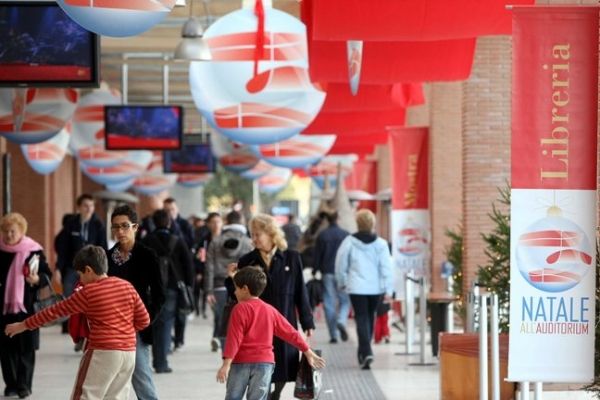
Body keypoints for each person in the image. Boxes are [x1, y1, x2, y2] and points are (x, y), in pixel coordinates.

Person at [4, 245, 150, 400]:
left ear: (88, 270)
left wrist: (22, 325)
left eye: (80, 274)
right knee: (116, 397)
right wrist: (122, 331)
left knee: (85, 395)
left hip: (102, 352)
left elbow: (54, 312)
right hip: (128, 353)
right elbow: (144, 320)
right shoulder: (127, 286)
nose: (80, 279)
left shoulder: (88, 292)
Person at [229, 214, 315, 400]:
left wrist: (307, 322)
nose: (254, 239)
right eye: (252, 234)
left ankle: (276, 393)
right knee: (261, 364)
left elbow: (301, 291)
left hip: (284, 318)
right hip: (257, 324)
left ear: (271, 233)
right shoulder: (247, 260)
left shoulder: (292, 258)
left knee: (284, 363)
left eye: (257, 234)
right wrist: (232, 279)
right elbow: (238, 293)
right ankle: (266, 394)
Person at [217, 267, 325, 400]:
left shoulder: (239, 309)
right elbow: (290, 332)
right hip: (264, 363)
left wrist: (226, 364)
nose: (234, 292)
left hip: (241, 362)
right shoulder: (270, 310)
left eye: (236, 288)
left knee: (233, 397)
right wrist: (307, 351)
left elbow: (234, 338)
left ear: (245, 289)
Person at [106, 205, 164, 400]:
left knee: (141, 377)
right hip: (110, 328)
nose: (120, 231)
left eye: (124, 226)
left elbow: (159, 294)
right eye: (115, 227)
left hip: (136, 327)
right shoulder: (106, 258)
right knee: (111, 381)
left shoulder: (147, 255)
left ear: (135, 227)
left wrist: (145, 320)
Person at [335, 209, 393, 370]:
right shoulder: (381, 244)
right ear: (372, 224)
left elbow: (340, 264)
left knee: (361, 318)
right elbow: (386, 267)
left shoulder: (349, 242)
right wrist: (388, 289)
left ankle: (365, 352)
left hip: (356, 287)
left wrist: (342, 281)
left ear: (358, 223)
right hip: (375, 288)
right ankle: (366, 351)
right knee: (370, 317)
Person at [0, 213, 50, 399]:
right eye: (5, 231)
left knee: (26, 348)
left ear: (21, 231)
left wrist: (37, 279)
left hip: (27, 307)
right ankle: (11, 385)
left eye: (13, 231)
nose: (9, 235)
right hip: (4, 309)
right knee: (6, 349)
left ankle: (24, 385)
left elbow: (47, 275)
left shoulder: (33, 250)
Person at [142, 210, 193, 373]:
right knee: (165, 324)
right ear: (169, 223)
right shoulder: (177, 241)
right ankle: (161, 362)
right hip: (171, 288)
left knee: (153, 323)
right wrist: (188, 285)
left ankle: (152, 360)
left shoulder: (146, 240)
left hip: (150, 289)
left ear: (153, 223)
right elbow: (188, 265)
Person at [54, 193, 107, 338]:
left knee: (91, 300)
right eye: (85, 205)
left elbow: (103, 249)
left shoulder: (98, 225)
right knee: (70, 298)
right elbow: (62, 248)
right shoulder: (71, 224)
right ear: (79, 207)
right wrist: (58, 268)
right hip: (72, 267)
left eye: (91, 205)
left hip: (92, 269)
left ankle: (87, 331)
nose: (89, 208)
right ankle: (71, 328)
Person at [206, 211, 252, 352]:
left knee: (222, 316)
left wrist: (208, 290)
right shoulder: (247, 242)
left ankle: (222, 343)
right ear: (241, 221)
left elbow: (209, 267)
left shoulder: (215, 241)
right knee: (239, 318)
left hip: (219, 284)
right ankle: (235, 346)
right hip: (241, 285)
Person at [313, 211, 350, 344]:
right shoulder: (346, 235)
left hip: (327, 272)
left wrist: (314, 269)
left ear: (327, 220)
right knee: (345, 300)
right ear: (338, 218)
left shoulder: (322, 235)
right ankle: (341, 320)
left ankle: (333, 334)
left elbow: (317, 255)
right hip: (343, 273)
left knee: (328, 302)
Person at [163, 197, 194, 349]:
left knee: (181, 312)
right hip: (165, 277)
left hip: (180, 276)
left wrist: (190, 282)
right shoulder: (159, 224)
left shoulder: (184, 225)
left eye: (172, 210)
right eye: (167, 210)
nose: (169, 213)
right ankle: (168, 339)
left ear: (177, 210)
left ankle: (179, 339)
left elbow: (191, 244)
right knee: (167, 313)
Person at [193, 212, 222, 319]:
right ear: (208, 224)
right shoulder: (205, 240)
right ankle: (201, 310)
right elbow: (199, 257)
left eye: (218, 221)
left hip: (222, 275)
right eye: (213, 222)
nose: (216, 225)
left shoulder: (226, 238)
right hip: (208, 272)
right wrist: (199, 271)